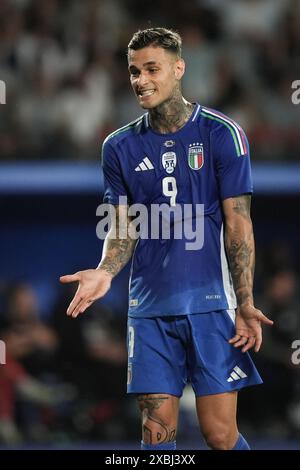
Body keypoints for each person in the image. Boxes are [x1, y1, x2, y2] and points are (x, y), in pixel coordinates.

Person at [60, 27, 273, 450]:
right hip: (149, 311)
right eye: (134, 71)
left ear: (179, 69)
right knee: (156, 440)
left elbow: (238, 224)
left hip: (210, 306)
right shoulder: (118, 146)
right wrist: (105, 271)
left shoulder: (221, 133)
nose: (140, 79)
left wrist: (245, 302)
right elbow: (122, 227)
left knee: (220, 435)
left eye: (151, 69)